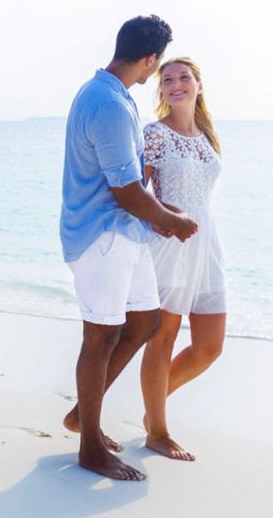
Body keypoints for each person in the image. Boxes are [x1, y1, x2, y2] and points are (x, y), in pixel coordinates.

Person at [59, 15, 199, 481]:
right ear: (151, 60)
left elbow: (132, 184)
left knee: (144, 322)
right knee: (99, 336)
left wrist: (160, 212)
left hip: (127, 233)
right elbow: (124, 191)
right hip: (103, 235)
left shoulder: (110, 95)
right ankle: (90, 446)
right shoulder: (109, 103)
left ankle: (83, 415)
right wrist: (172, 221)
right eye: (156, 68)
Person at [139, 58, 226, 462]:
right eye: (167, 80)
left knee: (209, 346)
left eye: (184, 78)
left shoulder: (207, 135)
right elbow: (137, 192)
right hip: (170, 244)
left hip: (206, 246)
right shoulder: (154, 134)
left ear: (198, 85)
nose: (176, 85)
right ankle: (158, 430)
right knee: (165, 337)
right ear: (161, 91)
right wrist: (165, 214)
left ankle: (152, 404)